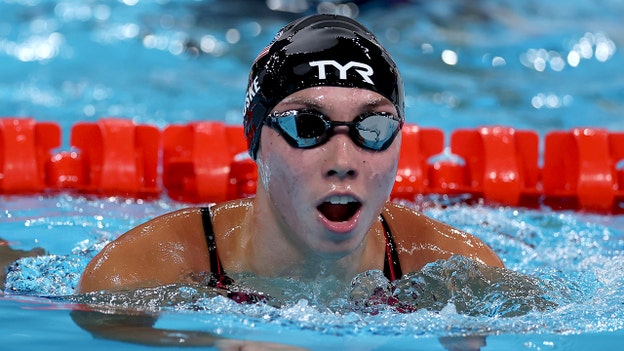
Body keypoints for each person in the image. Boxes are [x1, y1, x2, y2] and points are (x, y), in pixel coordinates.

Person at [72, 13, 503, 349]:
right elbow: (97, 321)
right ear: (255, 140)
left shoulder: (453, 268)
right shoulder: (148, 267)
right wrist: (217, 342)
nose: (343, 162)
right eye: (306, 126)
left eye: (373, 126)